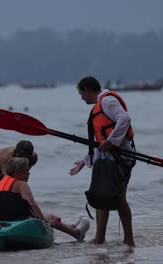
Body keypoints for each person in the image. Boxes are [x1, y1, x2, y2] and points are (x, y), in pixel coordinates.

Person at [69, 76, 136, 252]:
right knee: (101, 195)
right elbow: (100, 141)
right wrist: (85, 160)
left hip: (120, 158)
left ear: (86, 90)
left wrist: (113, 140)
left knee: (119, 197)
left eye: (80, 93)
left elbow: (125, 118)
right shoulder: (99, 106)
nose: (81, 98)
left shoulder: (107, 101)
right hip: (107, 158)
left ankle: (129, 240)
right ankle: (100, 238)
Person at [0, 157, 90, 241]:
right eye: (26, 170)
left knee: (50, 216)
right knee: (50, 219)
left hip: (0, 219)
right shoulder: (21, 184)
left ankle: (71, 226)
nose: (29, 173)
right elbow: (31, 203)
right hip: (17, 220)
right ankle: (76, 233)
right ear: (17, 172)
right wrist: (44, 223)